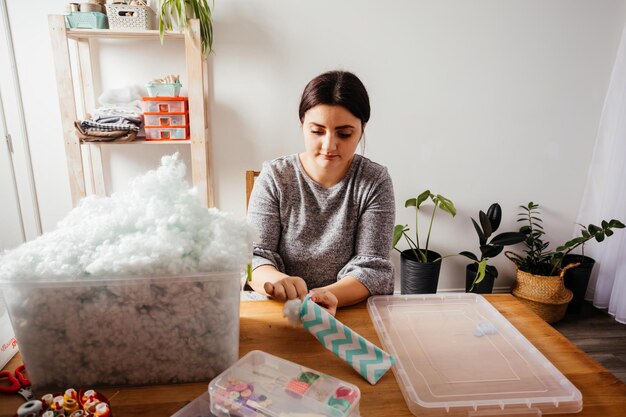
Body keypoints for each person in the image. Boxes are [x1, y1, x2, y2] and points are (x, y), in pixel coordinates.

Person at [247, 70, 395, 315]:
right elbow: (252, 258)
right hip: (279, 311)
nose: (329, 145)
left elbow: (373, 267)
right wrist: (277, 282)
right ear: (302, 124)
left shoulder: (374, 181)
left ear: (362, 129)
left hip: (346, 310)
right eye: (317, 131)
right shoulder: (275, 177)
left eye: (344, 134)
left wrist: (324, 296)